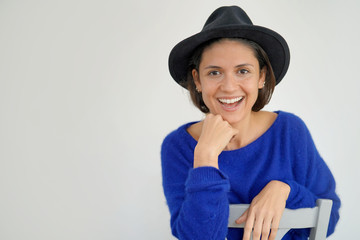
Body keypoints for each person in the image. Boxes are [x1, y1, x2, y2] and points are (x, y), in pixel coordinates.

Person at [161, 6, 340, 240]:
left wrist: (285, 190)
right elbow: (197, 237)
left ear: (261, 77)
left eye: (243, 71)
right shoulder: (178, 146)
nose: (229, 86)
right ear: (197, 80)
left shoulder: (289, 131)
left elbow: (329, 220)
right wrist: (205, 157)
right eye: (214, 73)